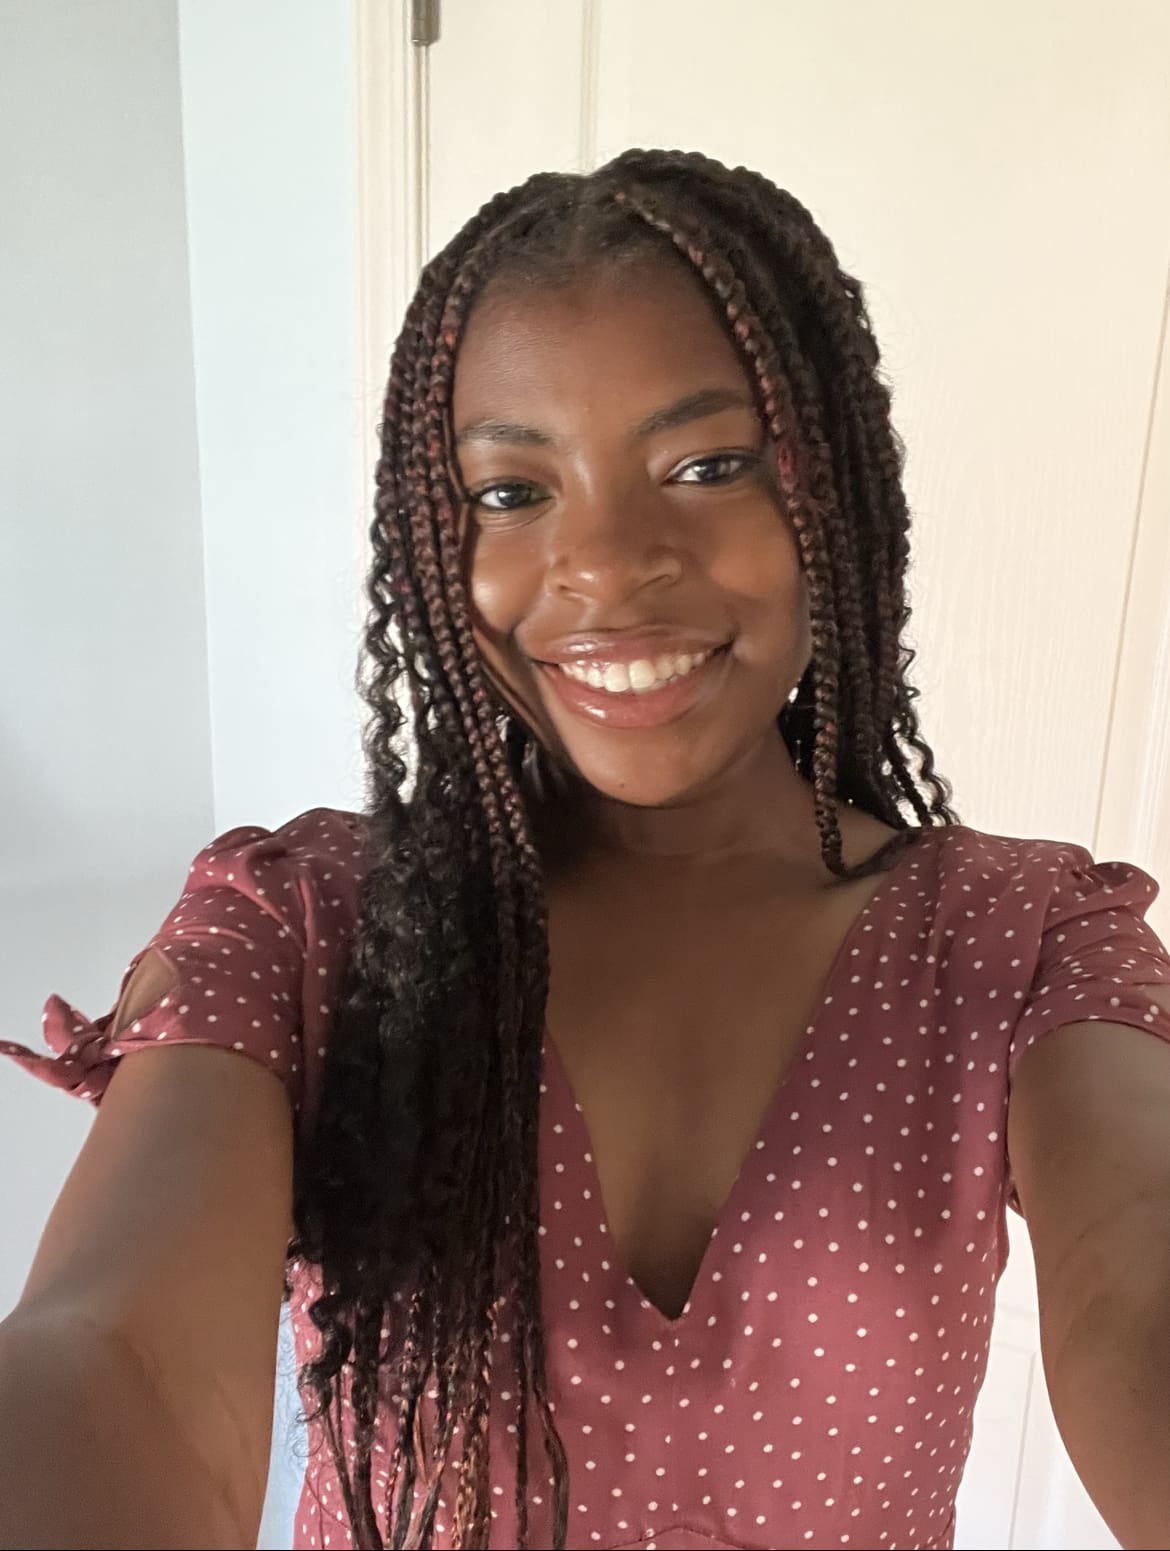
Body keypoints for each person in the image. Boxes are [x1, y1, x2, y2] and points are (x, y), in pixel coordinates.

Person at [2, 148, 1170, 1551]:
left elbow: (1137, 1292)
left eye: (706, 465)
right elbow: (121, 1360)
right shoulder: (309, 925)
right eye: (511, 491)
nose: (607, 565)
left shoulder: (1021, 937)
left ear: (835, 503)